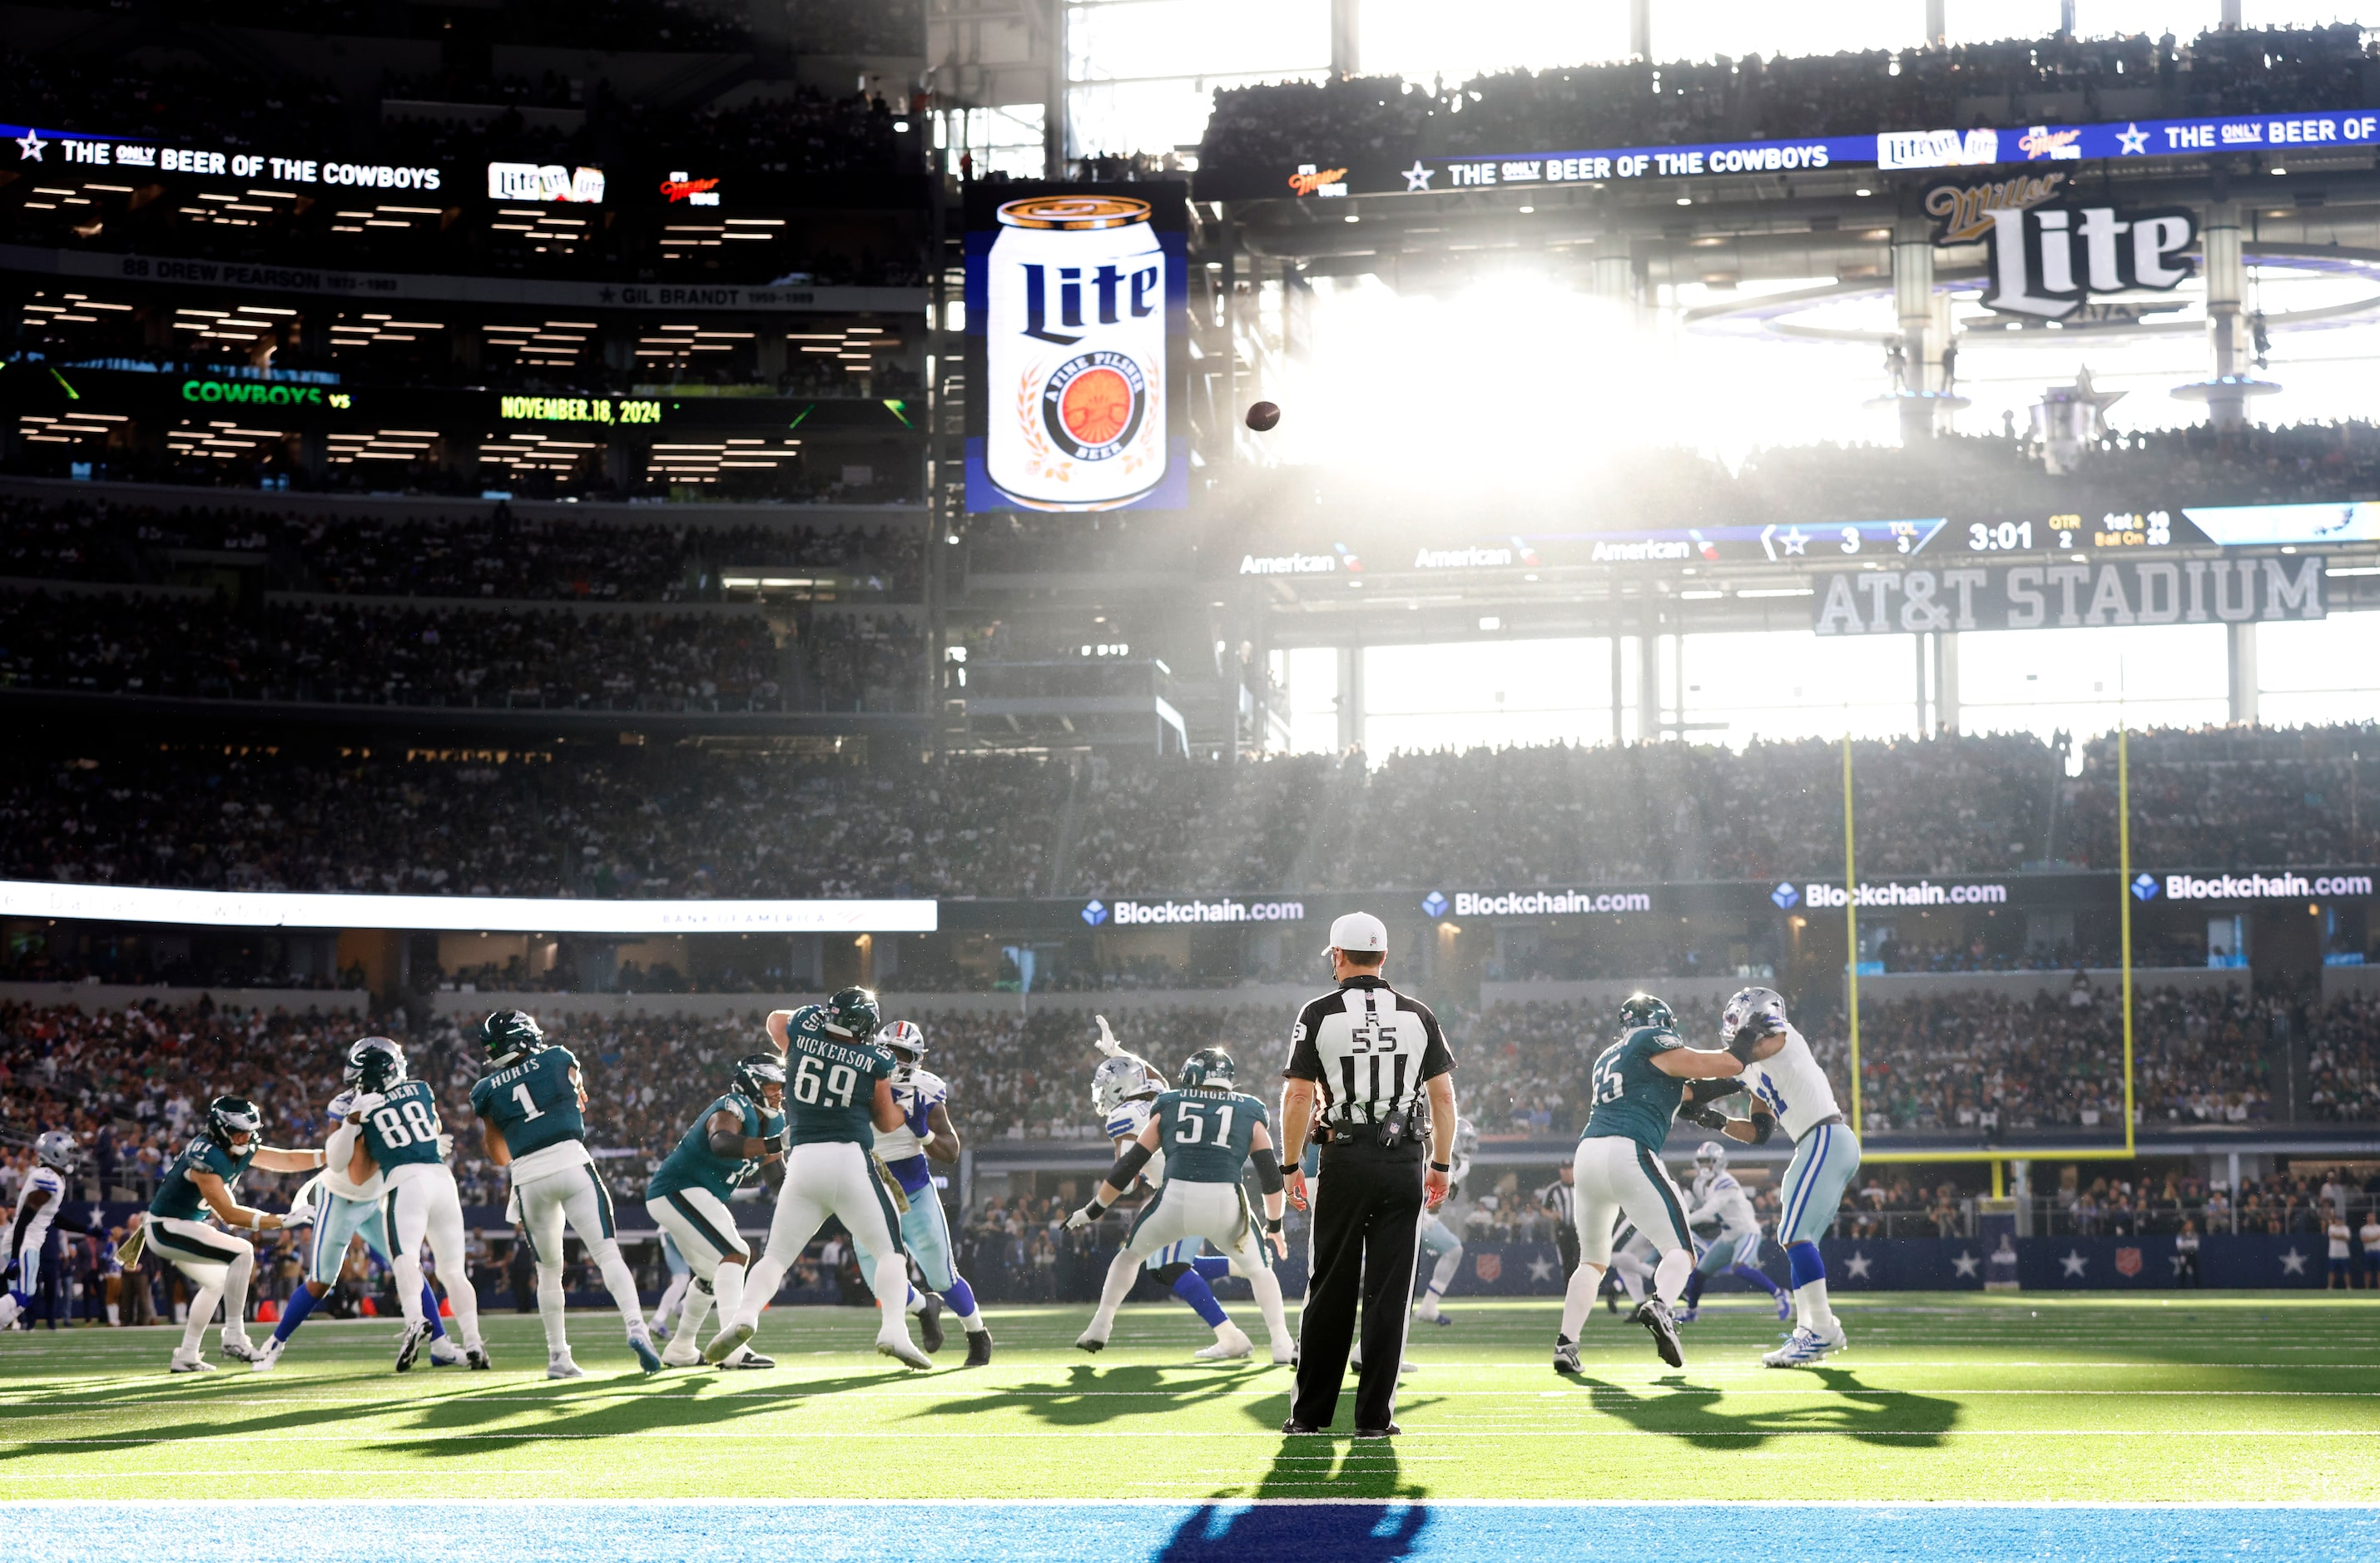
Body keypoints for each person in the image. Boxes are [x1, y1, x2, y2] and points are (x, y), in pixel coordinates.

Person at [1279, 911, 1459, 1439]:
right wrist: (1441, 1165)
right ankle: (1375, 1421)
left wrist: (1291, 1165)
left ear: (1338, 956)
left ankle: (1310, 1417)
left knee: (1329, 1287)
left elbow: (1296, 1095)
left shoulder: (1318, 1013)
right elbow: (1443, 1097)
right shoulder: (1419, 1014)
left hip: (1345, 1158)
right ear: (1383, 957)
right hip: (1404, 1159)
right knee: (1390, 1292)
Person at [703, 988, 930, 1370]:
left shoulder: (805, 1028)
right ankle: (894, 1329)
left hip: (804, 1162)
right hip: (850, 1161)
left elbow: (776, 1020)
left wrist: (821, 1032)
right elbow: (887, 1121)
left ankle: (744, 1317)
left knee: (775, 1257)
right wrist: (907, 1106)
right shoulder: (873, 1059)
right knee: (890, 1252)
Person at [1552, 993, 1745, 1375]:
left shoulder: (1610, 1056)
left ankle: (1566, 1344)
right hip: (1629, 1150)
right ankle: (1661, 1305)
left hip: (1588, 1156)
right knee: (1681, 1252)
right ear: (1663, 1023)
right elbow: (1699, 1065)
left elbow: (1686, 1091)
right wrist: (1745, 1059)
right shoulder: (1650, 1040)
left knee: (1591, 1261)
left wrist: (1734, 1084)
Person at [1068, 1047, 1292, 1364]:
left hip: (1174, 1200)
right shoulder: (1249, 1109)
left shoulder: (1170, 1104)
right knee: (1261, 1270)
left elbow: (1131, 1165)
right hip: (1226, 1203)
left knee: (1130, 1258)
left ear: (1191, 1077)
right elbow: (1270, 1175)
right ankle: (1281, 1342)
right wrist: (1275, 1226)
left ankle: (1101, 1324)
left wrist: (1093, 1209)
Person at [468, 1010, 661, 1379]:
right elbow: (580, 1102)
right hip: (570, 1161)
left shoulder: (487, 1090)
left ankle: (558, 1356)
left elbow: (498, 1155)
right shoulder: (558, 1057)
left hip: (527, 1177)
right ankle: (637, 1327)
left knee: (548, 1271)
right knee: (606, 1252)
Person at [1712, 985, 1864, 1367]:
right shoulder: (1750, 1067)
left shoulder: (1782, 1038)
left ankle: (1823, 1329)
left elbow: (1749, 1053)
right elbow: (1758, 1132)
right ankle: (1810, 1329)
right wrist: (1713, 1119)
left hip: (1825, 1136)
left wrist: (1702, 1078)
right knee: (1793, 1238)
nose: (1733, 1027)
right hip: (1814, 1143)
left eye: (1740, 1021)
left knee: (1795, 1236)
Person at [1089, 1016, 1248, 1359]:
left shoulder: (1126, 1115)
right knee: (1161, 1267)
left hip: (1183, 1191)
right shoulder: (1162, 1094)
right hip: (1197, 1184)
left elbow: (1128, 1182)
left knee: (1170, 1267)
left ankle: (1232, 1333)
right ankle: (1245, 1269)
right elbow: (1152, 1075)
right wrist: (1119, 1051)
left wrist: (1105, 1191)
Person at [127, 1096, 323, 1373]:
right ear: (221, 1129)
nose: (246, 1138)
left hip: (183, 1225)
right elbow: (229, 1214)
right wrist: (280, 1221)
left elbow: (286, 1158)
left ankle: (186, 1354)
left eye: (249, 1132)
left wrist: (328, 1157)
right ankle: (234, 1335)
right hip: (165, 1227)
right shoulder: (206, 1157)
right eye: (240, 1132)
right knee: (242, 1252)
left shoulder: (238, 1145)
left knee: (217, 1283)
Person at [848, 1020, 994, 1366]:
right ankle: (924, 1308)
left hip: (914, 1190)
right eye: (890, 1052)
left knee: (942, 1275)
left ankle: (977, 1333)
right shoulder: (855, 1080)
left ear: (918, 1059)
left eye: (903, 1054)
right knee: (879, 1286)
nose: (895, 1060)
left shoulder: (925, 1088)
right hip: (868, 1193)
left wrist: (924, 1134)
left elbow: (951, 1150)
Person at [341, 1035, 488, 1371]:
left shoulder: (362, 1109)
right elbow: (432, 1129)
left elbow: (360, 1173)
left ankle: (414, 1320)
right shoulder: (421, 1089)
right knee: (453, 1271)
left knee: (405, 1257)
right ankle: (474, 1341)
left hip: (405, 1182)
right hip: (441, 1179)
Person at [643, 1052, 786, 1369]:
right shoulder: (733, 1106)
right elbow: (722, 1142)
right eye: (771, 1086)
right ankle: (733, 1349)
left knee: (710, 1276)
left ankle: (680, 1349)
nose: (778, 1093)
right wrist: (773, 1145)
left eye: (780, 1086)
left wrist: (811, 1195)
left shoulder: (775, 1122)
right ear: (752, 1086)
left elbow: (777, 1179)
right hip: (677, 1188)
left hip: (695, 1195)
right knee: (735, 1252)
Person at [1677, 1139, 1791, 1322]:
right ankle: (1691, 1311)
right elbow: (1700, 1206)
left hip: (1746, 1231)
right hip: (1728, 1234)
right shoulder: (1699, 1183)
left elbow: (1708, 1212)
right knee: (1699, 1273)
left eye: (1709, 1161)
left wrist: (1680, 1222)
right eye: (1703, 1161)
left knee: (1740, 1268)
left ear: (1719, 1162)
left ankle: (1780, 1294)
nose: (1705, 1166)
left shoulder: (1726, 1183)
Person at [2, 1131, 95, 1335]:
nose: (71, 1156)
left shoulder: (54, 1179)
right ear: (54, 1153)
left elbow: (54, 1217)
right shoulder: (47, 1179)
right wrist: (16, 1256)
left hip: (25, 1241)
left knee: (21, 1298)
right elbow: (24, 1221)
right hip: (25, 1242)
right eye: (68, 1152)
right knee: (22, 1297)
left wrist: (88, 1230)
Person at [1412, 1118, 1477, 1326]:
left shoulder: (1457, 1161)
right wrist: (1428, 1215)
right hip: (1412, 1213)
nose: (1469, 1145)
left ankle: (1429, 1306)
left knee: (1453, 1250)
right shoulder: (1441, 1153)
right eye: (1465, 1140)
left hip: (1418, 1213)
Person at [649, 1232, 692, 1345]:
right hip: (679, 1230)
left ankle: (659, 1319)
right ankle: (683, 1306)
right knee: (711, 1271)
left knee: (681, 1279)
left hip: (669, 1229)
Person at [1538, 1163, 1579, 1282]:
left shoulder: (1581, 1186)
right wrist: (1552, 1215)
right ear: (1560, 1171)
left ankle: (1578, 1292)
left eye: (1569, 1169)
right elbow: (1544, 1209)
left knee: (1578, 1262)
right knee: (1567, 1262)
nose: (1567, 1172)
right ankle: (1569, 1292)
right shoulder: (1554, 1189)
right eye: (1564, 1169)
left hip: (1579, 1230)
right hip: (1563, 1230)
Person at [2328, 1212, 2353, 1289]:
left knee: (2346, 1271)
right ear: (2335, 1220)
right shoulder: (2331, 1228)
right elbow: (2332, 1236)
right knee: (2331, 1271)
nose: (2339, 1221)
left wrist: (2338, 1236)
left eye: (2341, 1220)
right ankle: (2330, 1287)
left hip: (2344, 1254)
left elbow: (2347, 1239)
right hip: (2333, 1254)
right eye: (2338, 1220)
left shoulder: (2346, 1228)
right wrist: (2342, 1236)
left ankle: (2348, 1286)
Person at [2174, 1217, 2201, 1288]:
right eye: (2187, 1224)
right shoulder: (2181, 1235)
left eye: (2190, 1224)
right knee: (2183, 1272)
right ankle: (2182, 1287)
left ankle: (2197, 1287)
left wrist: (2186, 1243)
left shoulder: (2195, 1234)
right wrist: (2189, 1244)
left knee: (2196, 1271)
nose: (2189, 1226)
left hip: (2193, 1254)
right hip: (2184, 1254)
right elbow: (2179, 1245)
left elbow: (2196, 1245)